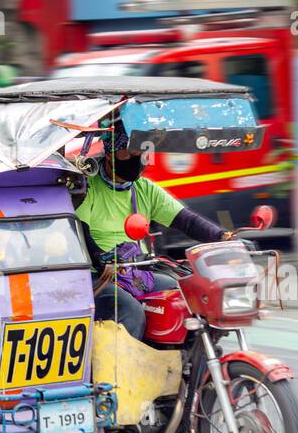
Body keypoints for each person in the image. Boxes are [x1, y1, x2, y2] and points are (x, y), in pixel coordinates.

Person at [75, 126, 226, 339]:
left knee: (187, 297)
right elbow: (79, 231)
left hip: (137, 272)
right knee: (129, 312)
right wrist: (100, 259)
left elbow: (187, 221)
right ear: (109, 154)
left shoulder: (145, 189)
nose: (136, 159)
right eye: (128, 153)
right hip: (97, 276)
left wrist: (223, 236)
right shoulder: (89, 187)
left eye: (140, 154)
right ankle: (124, 370)